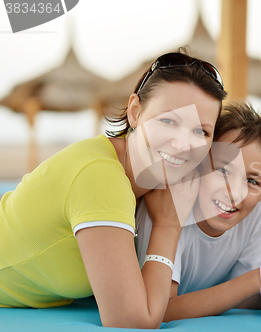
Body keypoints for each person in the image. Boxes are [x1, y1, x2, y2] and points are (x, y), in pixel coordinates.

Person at [0, 50, 227, 329]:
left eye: (201, 132)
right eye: (168, 121)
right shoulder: (101, 177)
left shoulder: (145, 174)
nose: (183, 144)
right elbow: (131, 321)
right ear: (135, 111)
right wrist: (169, 224)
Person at [135, 102, 261, 322]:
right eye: (223, 170)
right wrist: (259, 280)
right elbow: (160, 310)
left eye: (252, 180)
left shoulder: (254, 216)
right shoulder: (167, 207)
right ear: (196, 164)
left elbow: (241, 293)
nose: (235, 192)